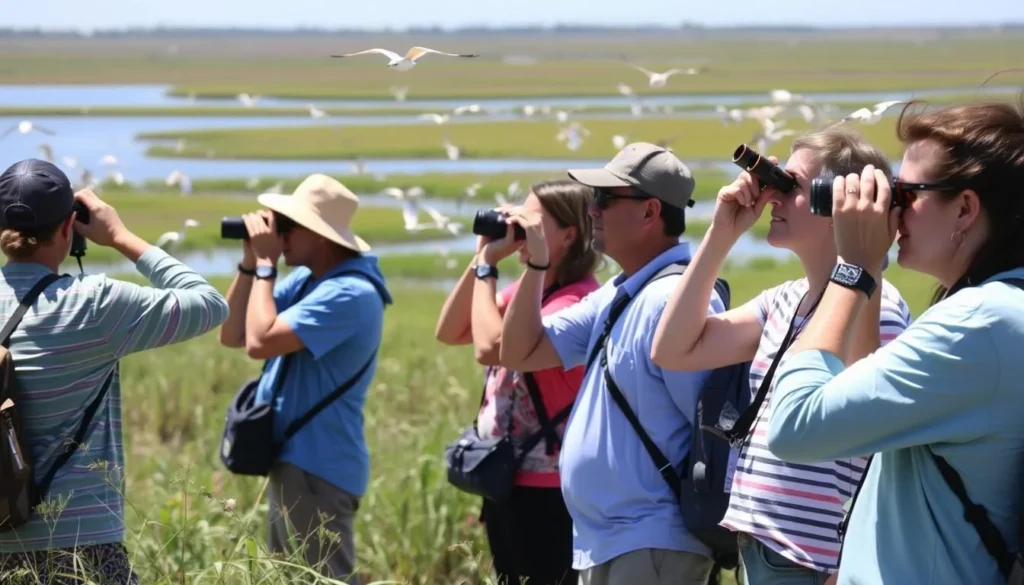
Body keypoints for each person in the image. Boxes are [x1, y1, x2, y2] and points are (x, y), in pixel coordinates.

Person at [765, 100, 1024, 585]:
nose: (893, 208)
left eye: (907, 192)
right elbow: (866, 402)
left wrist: (853, 269)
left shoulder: (977, 324)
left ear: (965, 209)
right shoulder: (1003, 307)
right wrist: (870, 266)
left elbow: (795, 426)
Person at [650, 126, 913, 585]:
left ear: (840, 206)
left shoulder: (880, 308)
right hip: (766, 546)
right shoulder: (784, 301)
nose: (771, 197)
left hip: (813, 559)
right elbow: (672, 349)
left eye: (790, 186)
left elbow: (865, 428)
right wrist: (720, 234)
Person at [499, 142, 725, 585]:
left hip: (653, 540)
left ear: (650, 212)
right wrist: (536, 265)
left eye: (603, 199)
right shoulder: (619, 293)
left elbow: (709, 432)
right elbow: (520, 352)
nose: (592, 212)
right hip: (609, 541)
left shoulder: (673, 300)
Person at [0, 159, 229, 583]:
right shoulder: (95, 303)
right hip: (82, 542)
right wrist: (121, 237)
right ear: (70, 227)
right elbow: (210, 304)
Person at [217, 174, 393, 583]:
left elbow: (260, 342)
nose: (279, 234)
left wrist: (265, 267)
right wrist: (249, 264)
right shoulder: (311, 282)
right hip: (297, 459)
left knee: (315, 578)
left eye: (287, 225)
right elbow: (233, 333)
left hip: (319, 466)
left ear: (322, 236)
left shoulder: (350, 293)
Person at [435, 179, 601, 585]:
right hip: (509, 476)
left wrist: (490, 268)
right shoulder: (534, 293)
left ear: (570, 234)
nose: (521, 229)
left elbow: (489, 347)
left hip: (549, 486)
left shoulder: (576, 301)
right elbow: (452, 330)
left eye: (533, 222)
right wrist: (480, 260)